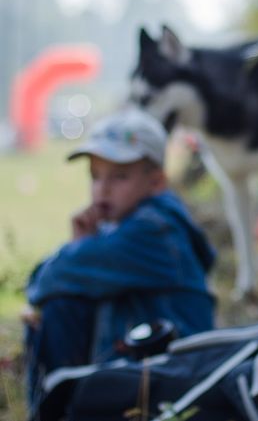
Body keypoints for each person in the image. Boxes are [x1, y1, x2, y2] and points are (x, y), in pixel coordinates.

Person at [22, 108, 216, 405]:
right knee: (61, 304)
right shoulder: (123, 226)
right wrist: (81, 245)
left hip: (175, 384)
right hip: (152, 377)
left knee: (60, 305)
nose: (103, 189)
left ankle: (54, 409)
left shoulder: (152, 230)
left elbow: (45, 280)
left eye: (120, 177)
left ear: (156, 182)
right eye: (95, 176)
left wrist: (77, 249)